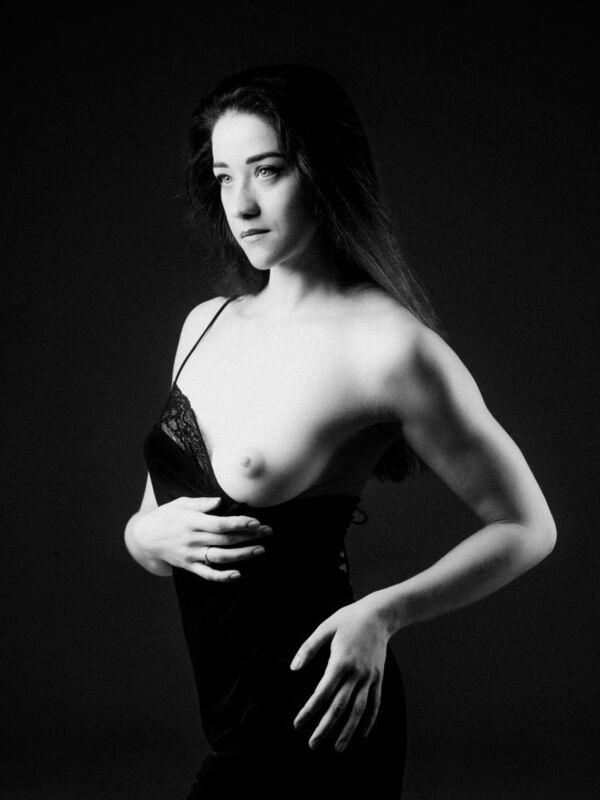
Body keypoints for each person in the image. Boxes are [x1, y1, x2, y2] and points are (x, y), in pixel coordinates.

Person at [123, 63, 556, 798]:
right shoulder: (205, 325)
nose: (242, 204)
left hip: (321, 715)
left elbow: (528, 526)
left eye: (268, 171)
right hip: (231, 719)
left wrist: (384, 614)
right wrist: (142, 537)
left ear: (321, 171)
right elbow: (154, 527)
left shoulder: (388, 346)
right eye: (224, 177)